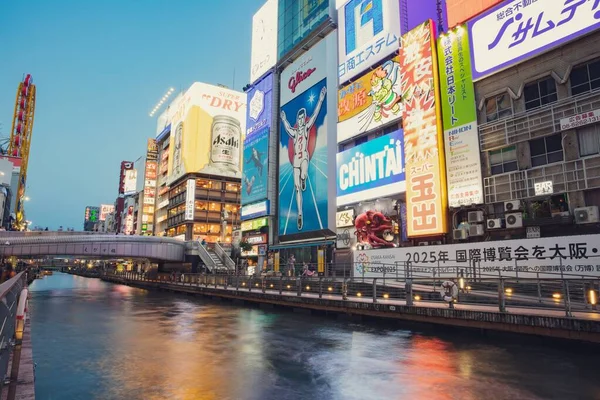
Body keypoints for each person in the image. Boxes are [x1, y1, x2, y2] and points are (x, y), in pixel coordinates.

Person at [280, 86, 326, 230]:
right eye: (299, 119)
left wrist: (320, 99)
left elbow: (315, 114)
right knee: (297, 187)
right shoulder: (294, 132)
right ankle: (300, 213)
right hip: (295, 161)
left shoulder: (306, 128)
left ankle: (304, 178)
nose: (300, 120)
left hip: (304, 157)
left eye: (302, 118)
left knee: (304, 174)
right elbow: (287, 127)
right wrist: (283, 119)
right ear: (297, 119)